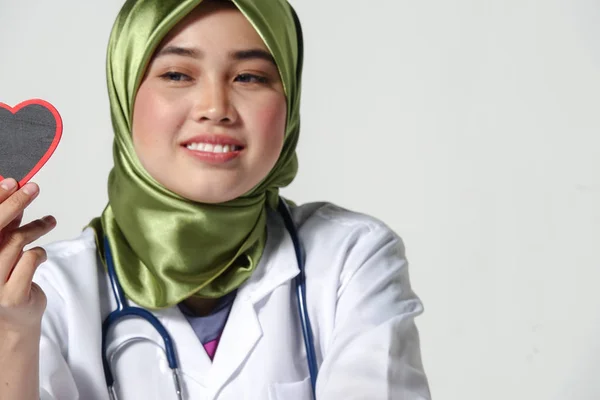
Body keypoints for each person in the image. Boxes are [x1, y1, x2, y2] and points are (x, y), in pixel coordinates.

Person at [0, 0, 431, 398]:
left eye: (249, 77)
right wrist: (12, 330)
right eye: (177, 74)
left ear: (290, 101)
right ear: (125, 93)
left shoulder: (350, 258)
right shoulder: (43, 289)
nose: (215, 107)